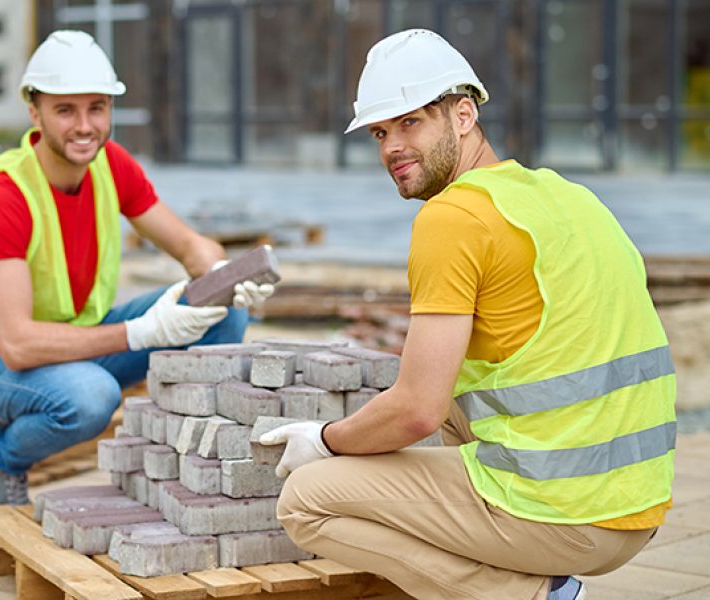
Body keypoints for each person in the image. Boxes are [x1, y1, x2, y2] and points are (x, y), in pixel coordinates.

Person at [260, 29, 675, 600]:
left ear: (462, 114)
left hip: (569, 511)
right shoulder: (568, 196)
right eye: (381, 132)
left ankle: (537, 593)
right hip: (639, 502)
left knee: (307, 501)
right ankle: (521, 555)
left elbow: (415, 412)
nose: (392, 148)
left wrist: (325, 441)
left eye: (412, 123)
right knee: (455, 385)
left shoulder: (451, 219)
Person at [0, 30, 273, 507]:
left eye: (97, 107)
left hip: (78, 342)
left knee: (223, 311)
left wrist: (227, 274)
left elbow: (186, 243)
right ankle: (2, 458)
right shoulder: (2, 195)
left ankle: (180, 462)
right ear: (34, 113)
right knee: (91, 398)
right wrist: (141, 333)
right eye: (65, 110)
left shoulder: (109, 164)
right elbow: (17, 344)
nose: (85, 126)